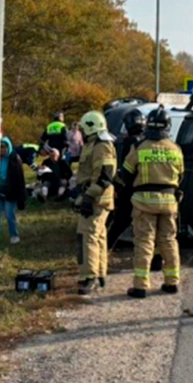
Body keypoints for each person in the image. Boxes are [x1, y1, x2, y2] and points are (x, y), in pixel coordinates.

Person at [118, 107, 185, 298]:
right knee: (169, 241)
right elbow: (180, 175)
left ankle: (140, 286)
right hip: (169, 202)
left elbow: (126, 173)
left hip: (143, 202)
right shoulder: (175, 149)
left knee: (144, 242)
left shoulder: (141, 147)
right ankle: (172, 282)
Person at [75, 110, 117, 295]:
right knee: (98, 236)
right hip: (96, 197)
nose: (81, 134)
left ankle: (89, 277)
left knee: (88, 236)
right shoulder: (95, 144)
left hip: (97, 198)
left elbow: (105, 175)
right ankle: (99, 274)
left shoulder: (102, 146)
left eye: (82, 129)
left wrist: (89, 196)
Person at [108, 108, 147, 249]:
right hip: (146, 188)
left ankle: (106, 247)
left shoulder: (131, 142)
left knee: (120, 222)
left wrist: (117, 186)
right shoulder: (147, 141)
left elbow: (126, 168)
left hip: (130, 189)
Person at [0, 137, 27, 243]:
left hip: (10, 192)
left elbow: (20, 179)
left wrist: (22, 197)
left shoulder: (15, 159)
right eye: (0, 147)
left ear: (8, 147)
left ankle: (14, 235)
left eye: (4, 147)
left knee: (10, 215)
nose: (2, 149)